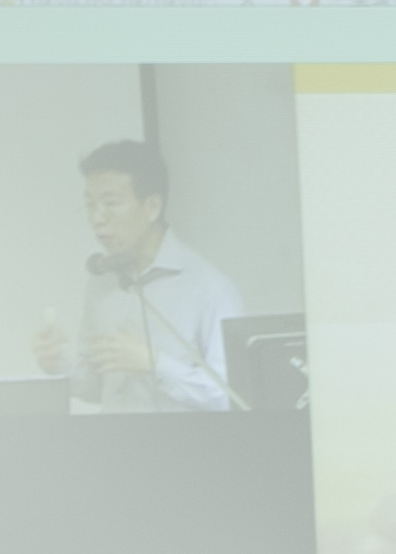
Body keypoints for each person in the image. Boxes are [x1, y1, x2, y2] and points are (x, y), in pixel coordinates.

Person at [31, 139, 241, 413]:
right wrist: (60, 363)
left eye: (110, 203)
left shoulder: (208, 288)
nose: (97, 218)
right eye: (90, 205)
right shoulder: (103, 283)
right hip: (114, 439)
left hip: (183, 440)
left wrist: (154, 362)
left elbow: (230, 397)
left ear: (151, 207)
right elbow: (96, 388)